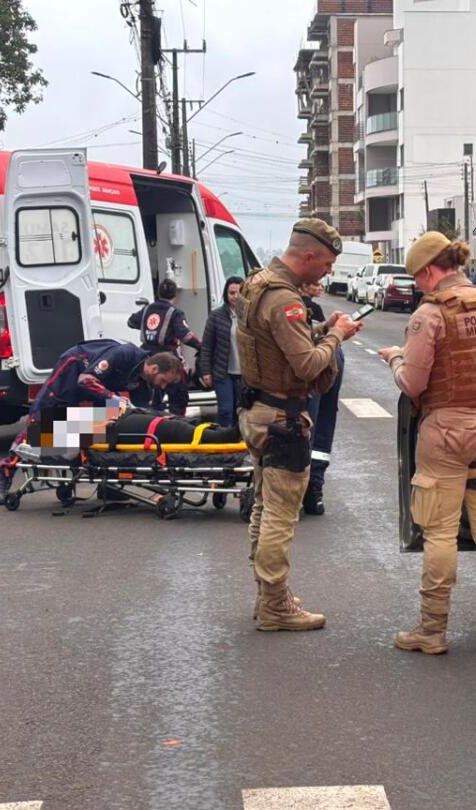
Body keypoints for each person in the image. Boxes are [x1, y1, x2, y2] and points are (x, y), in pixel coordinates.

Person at [378, 232, 476, 654]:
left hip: (448, 432)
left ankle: (432, 630)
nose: (417, 286)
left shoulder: (431, 315)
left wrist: (395, 359)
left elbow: (414, 382)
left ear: (428, 270)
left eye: (416, 278)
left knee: (440, 531)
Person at [236, 219, 362, 631]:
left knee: (263, 505)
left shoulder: (260, 284)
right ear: (306, 256)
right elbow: (306, 363)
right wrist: (337, 337)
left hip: (257, 411)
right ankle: (275, 605)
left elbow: (278, 341)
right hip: (282, 417)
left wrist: (323, 328)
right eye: (325, 264)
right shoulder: (285, 300)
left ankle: (267, 596)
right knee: (281, 514)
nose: (327, 272)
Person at [0, 339, 183, 503]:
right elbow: (85, 380)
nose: (163, 386)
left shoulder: (145, 384)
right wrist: (115, 399)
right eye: (163, 381)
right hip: (73, 372)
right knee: (39, 428)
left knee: (106, 428)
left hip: (98, 388)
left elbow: (139, 413)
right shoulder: (124, 354)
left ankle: (108, 485)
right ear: (154, 368)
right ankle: (5, 474)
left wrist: (163, 417)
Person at [300, 282, 344, 516]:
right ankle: (312, 489)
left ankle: (310, 488)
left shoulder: (304, 308)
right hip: (322, 369)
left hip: (321, 369)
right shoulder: (293, 306)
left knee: (315, 428)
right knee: (318, 429)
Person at [127, 278, 201, 414]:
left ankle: (150, 422)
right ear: (175, 295)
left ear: (158, 293)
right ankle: (176, 425)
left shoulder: (147, 309)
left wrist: (149, 328)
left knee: (149, 399)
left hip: (145, 357)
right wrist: (201, 346)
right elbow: (185, 335)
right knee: (178, 396)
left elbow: (131, 322)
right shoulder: (175, 313)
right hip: (168, 358)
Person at [200, 276, 244, 428]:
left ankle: (241, 442)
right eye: (231, 293)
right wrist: (206, 372)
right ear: (226, 294)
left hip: (245, 374)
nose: (235, 297)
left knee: (241, 411)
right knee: (225, 409)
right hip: (222, 372)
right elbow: (206, 346)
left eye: (239, 293)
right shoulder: (216, 316)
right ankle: (223, 439)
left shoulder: (250, 316)